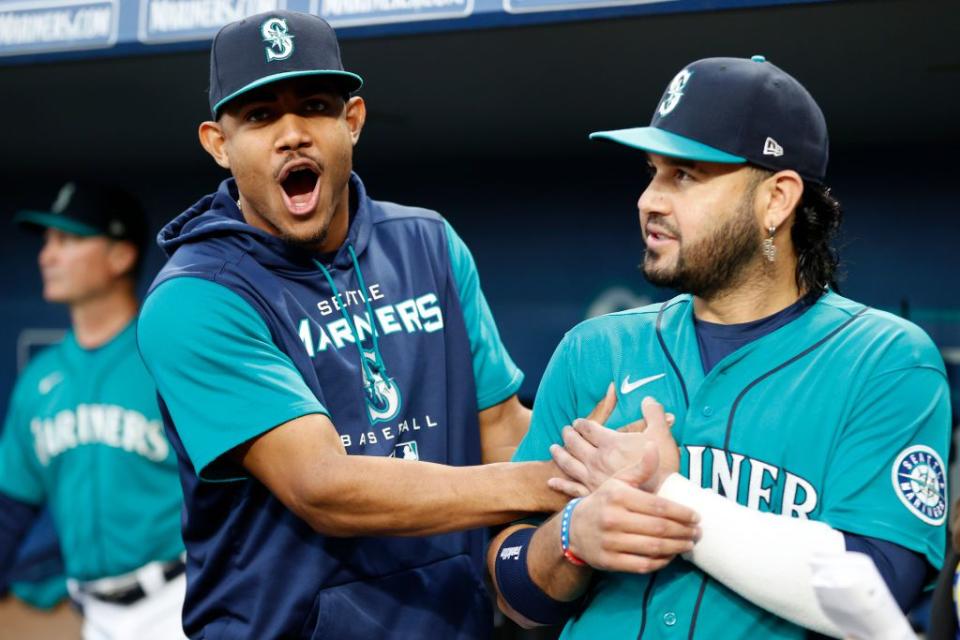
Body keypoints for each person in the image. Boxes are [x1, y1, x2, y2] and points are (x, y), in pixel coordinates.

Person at [136, 10, 626, 639]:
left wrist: (592, 462)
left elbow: (502, 428)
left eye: (314, 105)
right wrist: (549, 485)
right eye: (259, 117)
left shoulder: (429, 243)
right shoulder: (196, 296)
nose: (291, 134)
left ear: (353, 121)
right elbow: (323, 486)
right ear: (217, 143)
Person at [489, 55, 951, 639]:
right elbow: (512, 588)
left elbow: (875, 589)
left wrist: (667, 494)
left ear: (777, 199)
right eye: (652, 171)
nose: (648, 200)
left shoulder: (885, 361)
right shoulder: (593, 350)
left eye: (684, 174)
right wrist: (571, 539)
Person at [0, 182, 187, 640]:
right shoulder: (40, 380)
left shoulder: (169, 359)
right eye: (47, 242)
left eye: (68, 240)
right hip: (93, 613)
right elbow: (9, 508)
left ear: (120, 257)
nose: (48, 256)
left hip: (180, 599)